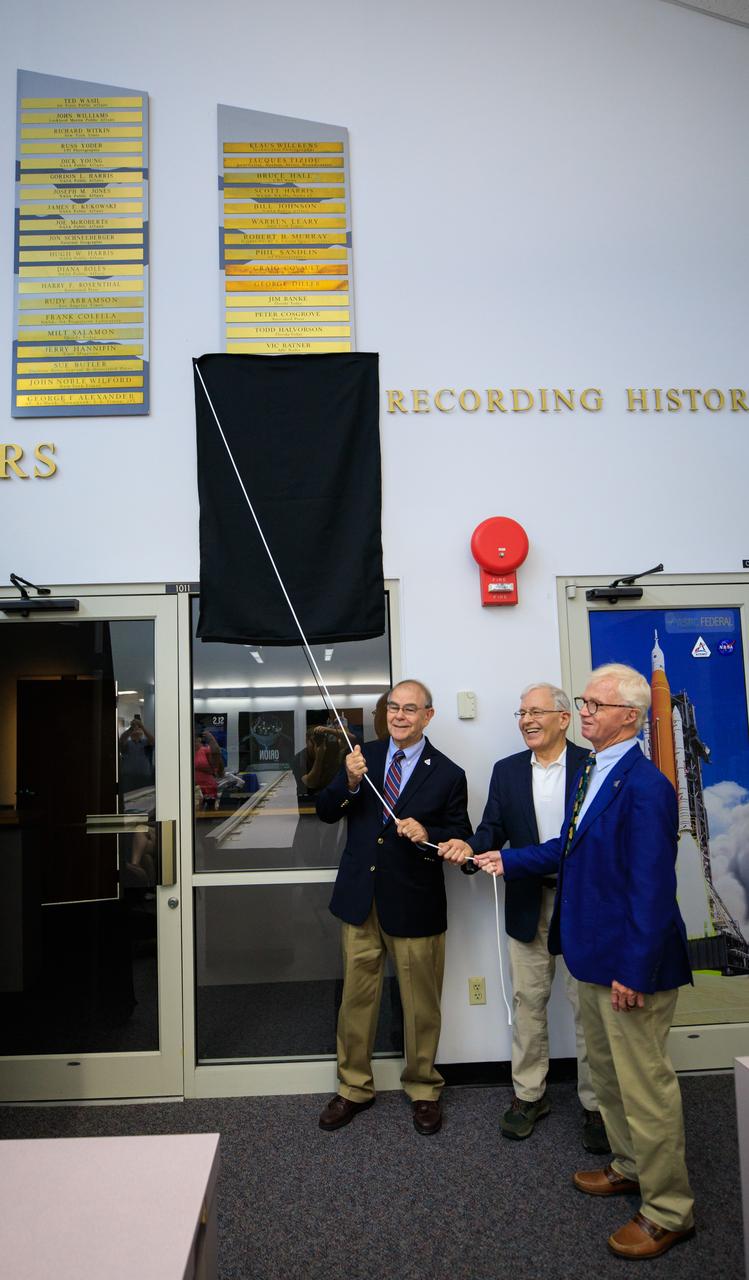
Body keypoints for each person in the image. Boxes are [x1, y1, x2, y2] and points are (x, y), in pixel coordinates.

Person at [467, 665, 694, 1261]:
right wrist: (506, 860)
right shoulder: (595, 771)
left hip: (627, 965)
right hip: (591, 954)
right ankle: (626, 1166)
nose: (585, 710)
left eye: (595, 704)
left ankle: (670, 1210)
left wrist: (634, 971)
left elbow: (651, 889)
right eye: (585, 702)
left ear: (630, 717)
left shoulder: (647, 788)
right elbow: (565, 849)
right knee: (610, 1077)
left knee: (646, 1088)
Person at [440, 683, 608, 1152]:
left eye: (537, 711)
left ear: (563, 718)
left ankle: (596, 1104)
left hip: (582, 905)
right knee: (527, 1001)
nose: (527, 720)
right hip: (527, 902)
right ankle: (529, 1095)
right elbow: (492, 828)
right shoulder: (507, 771)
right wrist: (469, 848)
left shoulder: (592, 767)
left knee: (587, 1007)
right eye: (521, 712)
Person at [316, 679, 471, 1135]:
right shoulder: (362, 757)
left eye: (410, 709)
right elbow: (326, 810)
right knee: (356, 1001)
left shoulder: (447, 772)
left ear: (428, 715)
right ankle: (353, 1088)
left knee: (421, 1006)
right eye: (393, 708)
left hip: (415, 905)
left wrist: (428, 835)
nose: (399, 716)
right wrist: (346, 780)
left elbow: (459, 836)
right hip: (360, 902)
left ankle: (423, 1089)